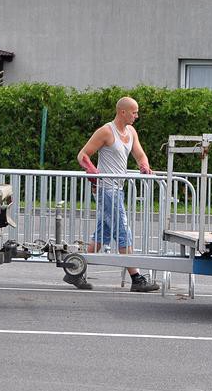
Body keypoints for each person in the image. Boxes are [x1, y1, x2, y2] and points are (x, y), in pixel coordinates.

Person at [66, 96, 159, 292]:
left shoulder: (131, 132)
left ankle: (75, 272)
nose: (137, 116)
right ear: (122, 112)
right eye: (134, 112)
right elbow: (83, 155)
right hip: (106, 188)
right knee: (123, 230)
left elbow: (140, 154)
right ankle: (137, 278)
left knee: (103, 234)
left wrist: (144, 166)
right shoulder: (106, 131)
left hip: (118, 188)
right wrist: (93, 172)